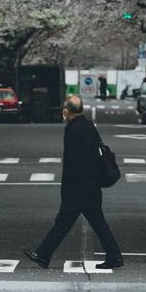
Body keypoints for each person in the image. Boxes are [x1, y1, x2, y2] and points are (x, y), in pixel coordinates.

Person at [23, 95, 123, 270]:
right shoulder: (90, 126)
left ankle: (43, 255)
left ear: (66, 111)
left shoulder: (72, 130)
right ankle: (114, 256)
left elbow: (73, 162)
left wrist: (66, 189)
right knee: (94, 224)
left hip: (77, 188)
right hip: (91, 186)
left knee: (65, 223)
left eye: (64, 109)